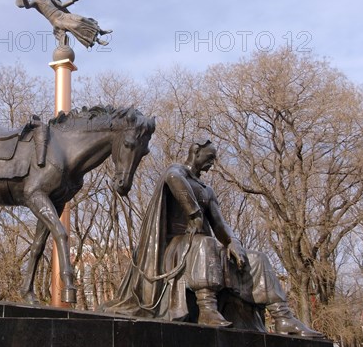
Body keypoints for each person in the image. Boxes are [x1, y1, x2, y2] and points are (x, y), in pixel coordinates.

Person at [102, 141, 324, 338]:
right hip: (173, 247)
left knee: (257, 258)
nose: (212, 164)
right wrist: (194, 213)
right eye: (209, 158)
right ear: (196, 152)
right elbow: (173, 179)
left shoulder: (207, 190)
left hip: (200, 247)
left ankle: (283, 317)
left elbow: (219, 224)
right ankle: (207, 308)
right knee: (205, 244)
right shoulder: (175, 171)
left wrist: (233, 242)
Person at [16, 0, 112, 48]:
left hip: (62, 15)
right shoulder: (35, 1)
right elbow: (27, 6)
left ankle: (100, 31)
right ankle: (98, 40)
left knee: (81, 19)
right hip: (56, 20)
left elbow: (61, 4)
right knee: (76, 26)